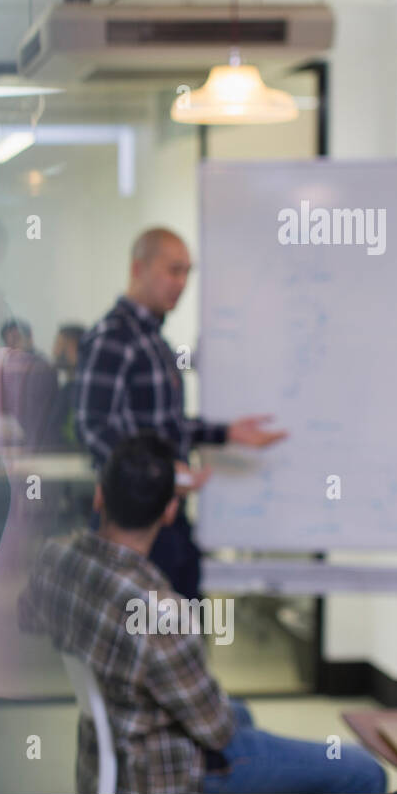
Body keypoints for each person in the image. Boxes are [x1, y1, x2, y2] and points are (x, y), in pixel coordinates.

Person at [18, 432, 386, 794]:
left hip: (108, 749)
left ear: (100, 496)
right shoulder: (162, 612)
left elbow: (27, 616)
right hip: (165, 773)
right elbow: (216, 730)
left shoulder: (55, 558)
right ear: (169, 511)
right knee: (362, 770)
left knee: (241, 714)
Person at [75, 226, 286, 598]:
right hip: (131, 528)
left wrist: (227, 433)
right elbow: (94, 426)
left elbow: (165, 426)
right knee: (145, 644)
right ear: (138, 269)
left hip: (167, 521)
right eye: (174, 270)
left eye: (188, 272)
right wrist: (159, 474)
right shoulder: (114, 336)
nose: (182, 283)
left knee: (180, 635)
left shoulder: (155, 341)